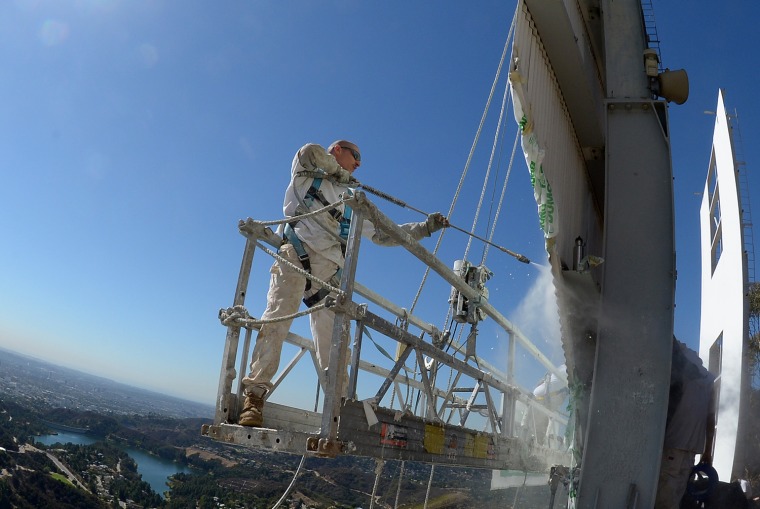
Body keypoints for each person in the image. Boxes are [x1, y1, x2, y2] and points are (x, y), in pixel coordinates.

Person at [238, 140, 449, 427]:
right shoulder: (306, 172)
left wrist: (425, 228)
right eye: (355, 156)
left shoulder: (352, 202)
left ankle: (337, 410)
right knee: (277, 319)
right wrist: (336, 172)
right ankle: (254, 397)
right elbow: (310, 151)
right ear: (337, 150)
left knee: (336, 341)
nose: (359, 163)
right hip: (296, 253)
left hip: (328, 271)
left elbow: (385, 234)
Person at [654, 338, 717, 509]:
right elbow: (711, 421)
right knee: (673, 502)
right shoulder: (708, 381)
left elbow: (673, 343)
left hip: (673, 447)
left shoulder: (686, 373)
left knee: (663, 501)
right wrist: (707, 452)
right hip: (690, 451)